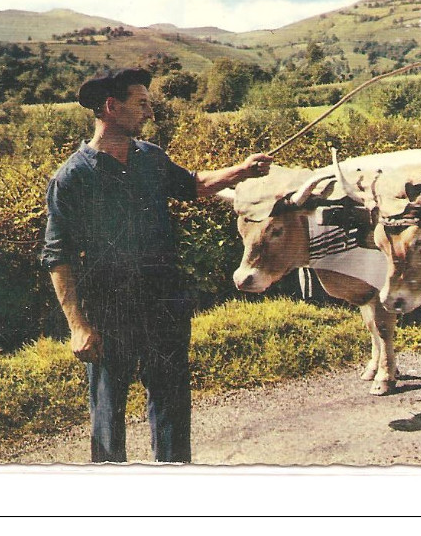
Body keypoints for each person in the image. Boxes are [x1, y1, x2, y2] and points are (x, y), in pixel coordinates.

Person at [41, 67, 271, 463]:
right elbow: (56, 255)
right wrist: (78, 326)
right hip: (108, 312)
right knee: (107, 411)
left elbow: (194, 185)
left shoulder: (150, 158)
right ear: (111, 107)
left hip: (165, 304)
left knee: (172, 404)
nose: (150, 112)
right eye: (142, 103)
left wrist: (243, 170)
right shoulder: (72, 177)